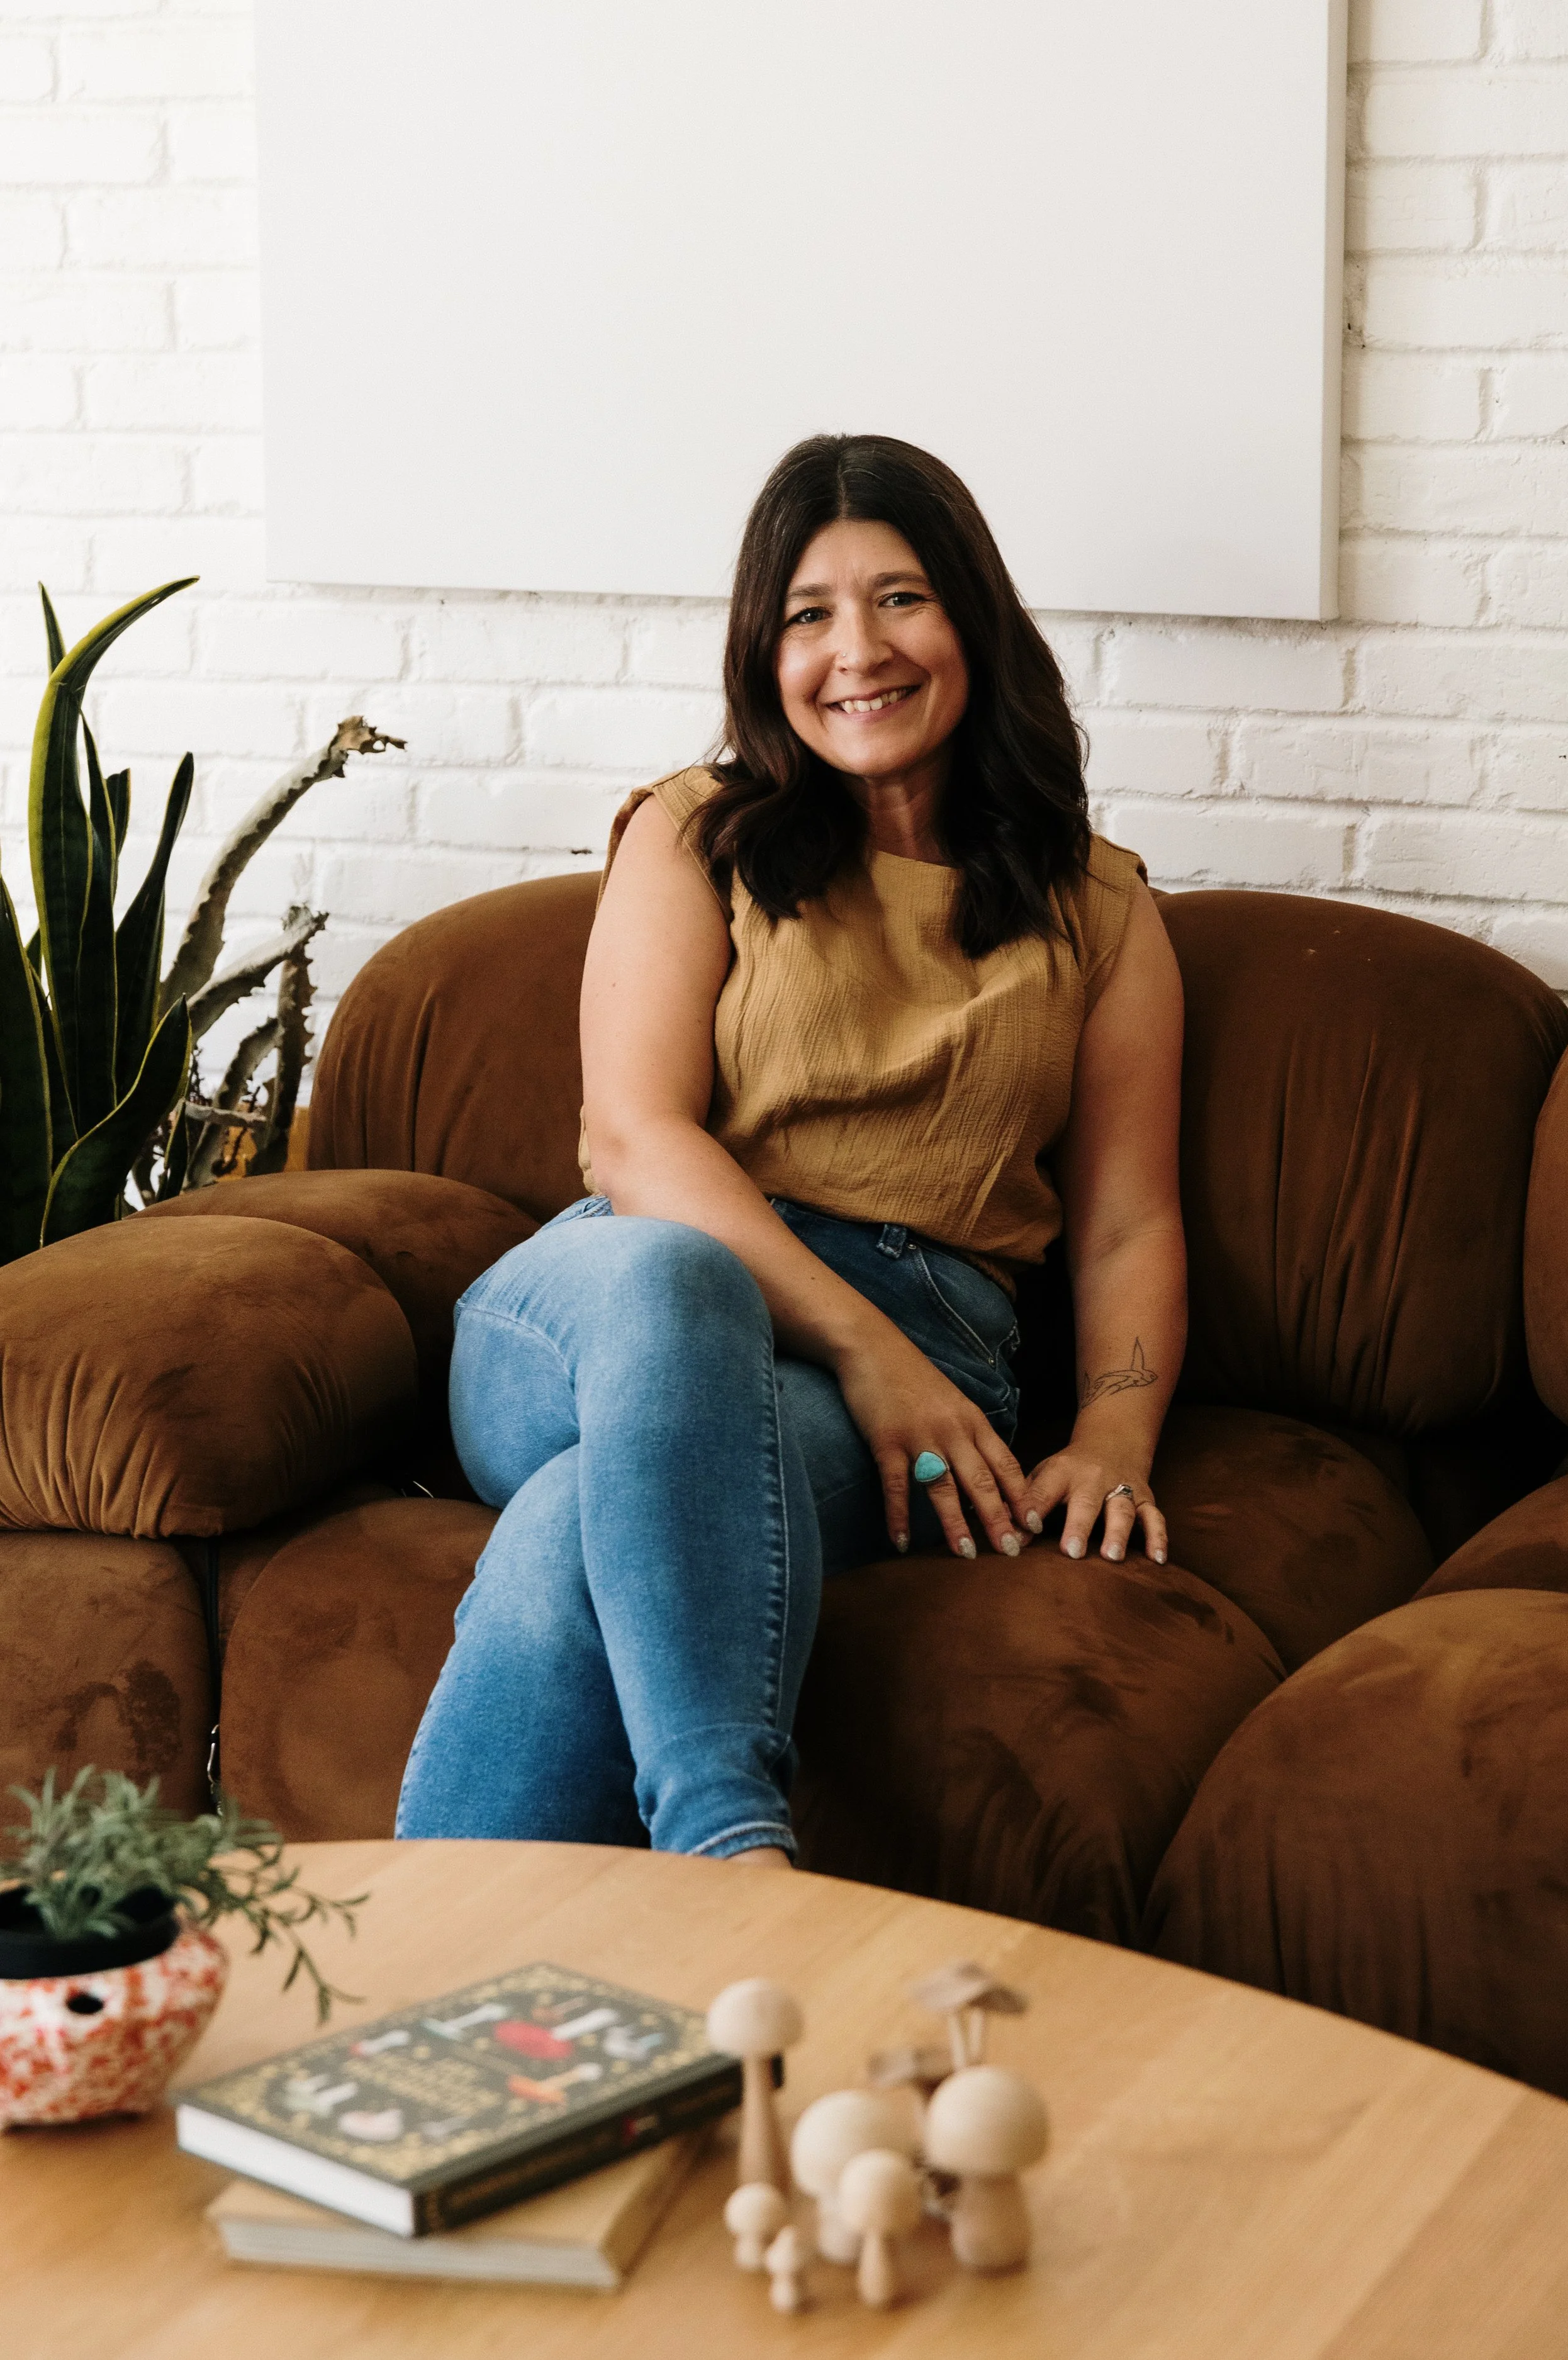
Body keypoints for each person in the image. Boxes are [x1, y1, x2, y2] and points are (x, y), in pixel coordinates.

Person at [397, 433, 1186, 1867]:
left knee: (587, 1522)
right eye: (807, 614)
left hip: (928, 1356)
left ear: (971, 622)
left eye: (898, 599)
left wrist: (1112, 1435)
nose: (854, 651)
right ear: (763, 652)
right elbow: (633, 1137)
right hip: (606, 1309)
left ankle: (409, 2002)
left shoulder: (1100, 911)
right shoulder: (693, 834)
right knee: (675, 1284)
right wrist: (864, 1350)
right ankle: (728, 1851)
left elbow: (1126, 1222)